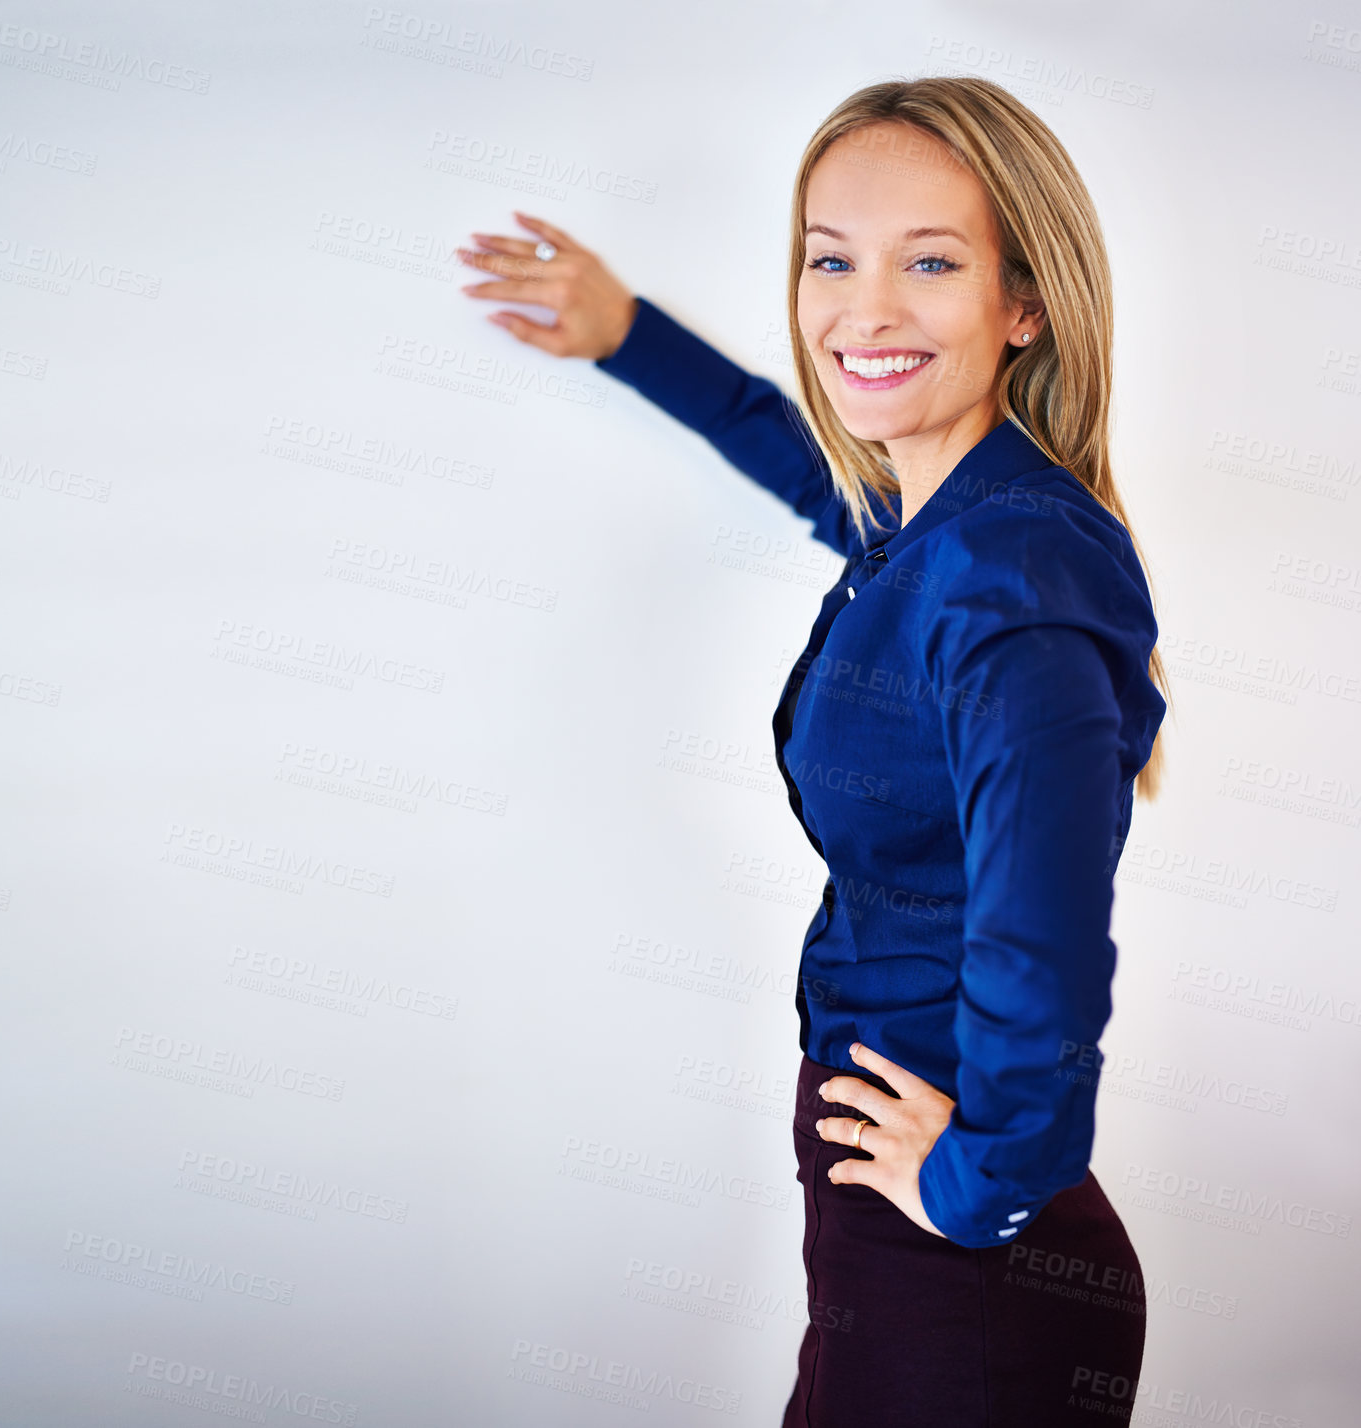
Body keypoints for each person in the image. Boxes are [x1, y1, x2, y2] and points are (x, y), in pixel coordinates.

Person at [457, 76, 1172, 1428]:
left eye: (932, 262)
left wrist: (979, 1186)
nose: (865, 307)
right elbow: (815, 470)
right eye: (829, 256)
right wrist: (630, 337)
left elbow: (1049, 945)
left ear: (1026, 303)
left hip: (960, 1252)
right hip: (902, 1226)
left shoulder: (1006, 575)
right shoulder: (947, 518)